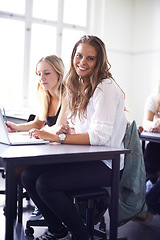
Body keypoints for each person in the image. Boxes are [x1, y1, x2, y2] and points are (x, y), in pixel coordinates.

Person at [21, 35, 127, 240]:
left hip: (106, 165)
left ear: (99, 61)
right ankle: (57, 230)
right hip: (86, 157)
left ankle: (80, 235)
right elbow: (85, 128)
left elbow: (99, 136)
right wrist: (70, 131)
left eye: (90, 58)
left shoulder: (105, 87)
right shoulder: (81, 85)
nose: (82, 62)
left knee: (46, 183)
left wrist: (57, 139)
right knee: (28, 175)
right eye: (79, 56)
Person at [6, 55, 65, 221]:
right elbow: (39, 123)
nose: (41, 78)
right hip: (49, 147)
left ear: (59, 74)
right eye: (39, 74)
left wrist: (43, 131)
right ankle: (44, 205)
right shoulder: (45, 95)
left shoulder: (67, 95)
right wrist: (16, 128)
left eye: (46, 73)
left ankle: (47, 206)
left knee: (21, 172)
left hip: (63, 150)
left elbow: (58, 128)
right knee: (18, 172)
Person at [143, 84, 160, 192]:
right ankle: (151, 182)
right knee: (152, 148)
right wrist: (154, 126)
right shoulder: (153, 98)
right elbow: (145, 122)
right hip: (156, 145)